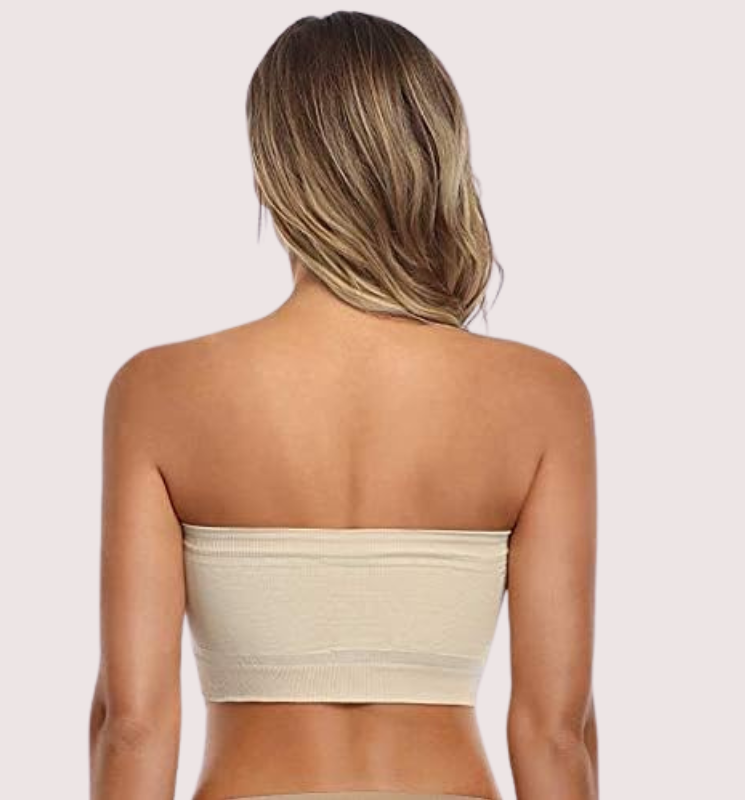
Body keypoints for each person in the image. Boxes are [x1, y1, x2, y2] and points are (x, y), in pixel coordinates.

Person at [88, 11, 598, 800]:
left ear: (272, 174)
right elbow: (554, 734)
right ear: (433, 157)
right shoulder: (542, 397)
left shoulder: (159, 391)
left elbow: (134, 726)